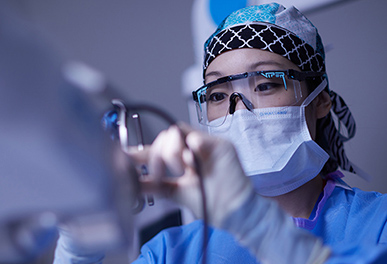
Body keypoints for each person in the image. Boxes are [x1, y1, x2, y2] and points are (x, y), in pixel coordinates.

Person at [54, 3, 387, 263]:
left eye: (267, 84)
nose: (238, 108)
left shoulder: (379, 224)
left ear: (321, 101)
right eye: (217, 94)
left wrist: (262, 230)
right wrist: (80, 247)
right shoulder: (170, 253)